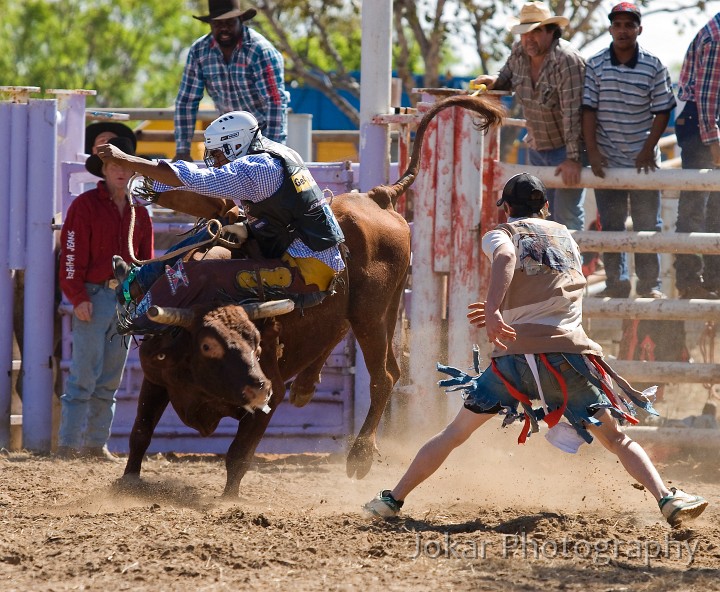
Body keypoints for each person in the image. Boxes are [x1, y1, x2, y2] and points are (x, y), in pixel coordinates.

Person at [363, 173, 708, 528]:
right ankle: (666, 499)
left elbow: (505, 257)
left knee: (454, 434)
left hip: (514, 361)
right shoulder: (565, 236)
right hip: (569, 358)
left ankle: (392, 499)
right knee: (617, 439)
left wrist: (497, 309)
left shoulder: (502, 233)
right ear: (544, 205)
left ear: (507, 207)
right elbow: (547, 285)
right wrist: (505, 306)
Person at [99, 110, 344, 334]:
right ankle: (140, 280)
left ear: (235, 144)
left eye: (216, 153)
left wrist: (130, 161)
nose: (215, 161)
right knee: (212, 233)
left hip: (306, 271)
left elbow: (198, 179)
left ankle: (141, 320)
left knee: (200, 274)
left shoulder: (258, 168)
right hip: (302, 251)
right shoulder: (277, 154)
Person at [57, 129, 154, 460]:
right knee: (84, 376)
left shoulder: (139, 213)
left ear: (132, 170)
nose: (120, 170)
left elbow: (146, 261)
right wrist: (77, 296)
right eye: (113, 164)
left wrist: (138, 300)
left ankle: (95, 445)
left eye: (125, 164)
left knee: (110, 378)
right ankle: (70, 445)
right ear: (103, 169)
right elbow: (70, 257)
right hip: (94, 297)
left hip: (124, 301)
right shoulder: (85, 207)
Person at [582, 3, 675, 299]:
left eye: (628, 25)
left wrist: (648, 149)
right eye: (617, 24)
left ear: (639, 29)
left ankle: (650, 287)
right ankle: (617, 284)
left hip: (643, 161)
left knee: (649, 227)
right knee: (611, 226)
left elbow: (663, 111)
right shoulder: (595, 64)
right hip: (607, 160)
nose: (622, 30)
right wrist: (593, 153)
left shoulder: (654, 65)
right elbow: (588, 111)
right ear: (610, 29)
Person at [472, 1, 586, 230]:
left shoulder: (567, 60)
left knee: (566, 215)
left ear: (551, 32)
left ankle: (573, 265)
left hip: (565, 149)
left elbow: (574, 113)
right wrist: (493, 81)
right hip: (537, 146)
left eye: (536, 31)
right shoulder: (519, 52)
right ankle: (547, 265)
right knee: (537, 215)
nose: (528, 38)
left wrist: (573, 158)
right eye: (524, 32)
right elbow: (505, 77)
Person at [174, 0, 288, 161]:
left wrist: (272, 151)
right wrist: (182, 151)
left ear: (240, 20)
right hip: (226, 137)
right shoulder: (199, 51)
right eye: (218, 24)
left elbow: (275, 102)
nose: (224, 28)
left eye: (229, 22)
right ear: (210, 24)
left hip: (261, 134)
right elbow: (186, 102)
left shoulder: (260, 50)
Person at [673, 13, 720, 299]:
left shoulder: (713, 32)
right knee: (696, 205)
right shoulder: (717, 39)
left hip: (700, 121)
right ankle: (691, 277)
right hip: (702, 124)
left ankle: (707, 278)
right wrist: (714, 142)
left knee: (711, 206)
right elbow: (707, 96)